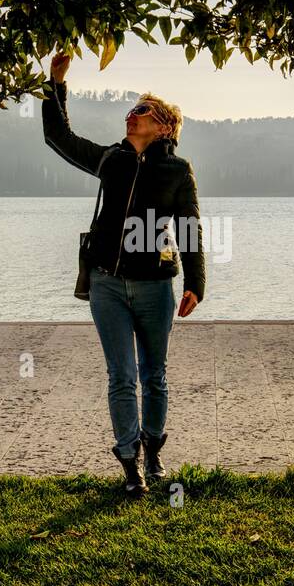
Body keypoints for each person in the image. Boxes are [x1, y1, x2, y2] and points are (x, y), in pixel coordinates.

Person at [42, 51, 205, 496]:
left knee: (155, 375)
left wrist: (196, 283)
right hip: (107, 284)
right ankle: (130, 464)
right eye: (131, 111)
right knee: (121, 377)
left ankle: (153, 452)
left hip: (155, 287)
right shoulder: (110, 160)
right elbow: (57, 135)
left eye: (143, 112)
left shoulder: (176, 170)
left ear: (164, 127)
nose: (132, 116)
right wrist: (56, 84)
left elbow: (189, 227)